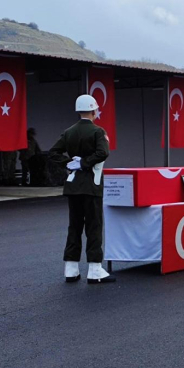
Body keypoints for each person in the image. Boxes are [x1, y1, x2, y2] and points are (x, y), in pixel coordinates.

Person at [48, 94, 113, 283]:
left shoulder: (68, 132)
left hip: (73, 185)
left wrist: (70, 163)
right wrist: (84, 163)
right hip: (91, 185)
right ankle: (94, 269)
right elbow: (103, 152)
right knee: (94, 226)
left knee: (74, 226)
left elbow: (53, 153)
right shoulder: (98, 131)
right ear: (93, 110)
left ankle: (71, 268)